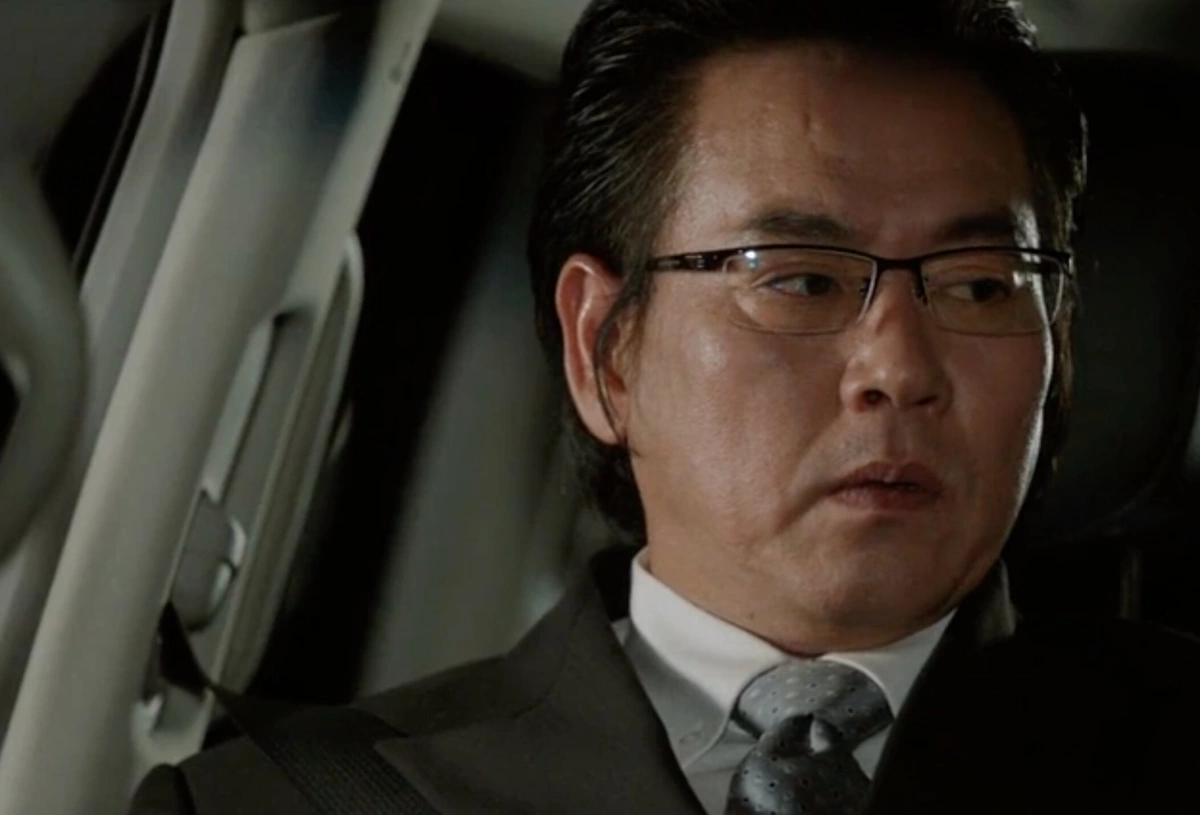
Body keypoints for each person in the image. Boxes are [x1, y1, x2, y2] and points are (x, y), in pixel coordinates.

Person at [131, 1, 1200, 813]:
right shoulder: (281, 802)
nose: (899, 365)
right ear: (606, 350)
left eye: (978, 286)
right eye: (801, 278)